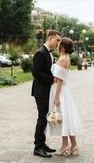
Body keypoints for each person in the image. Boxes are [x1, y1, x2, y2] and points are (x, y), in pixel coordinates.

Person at [46, 37, 82, 156]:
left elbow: (59, 80)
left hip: (60, 92)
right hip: (64, 91)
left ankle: (65, 145)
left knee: (62, 119)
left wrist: (56, 97)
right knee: (66, 119)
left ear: (62, 47)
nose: (57, 45)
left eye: (59, 43)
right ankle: (73, 144)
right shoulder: (65, 58)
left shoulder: (63, 59)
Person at [31, 30, 62, 158]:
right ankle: (38, 147)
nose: (58, 43)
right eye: (57, 40)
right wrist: (52, 79)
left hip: (46, 90)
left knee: (45, 117)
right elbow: (35, 73)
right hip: (40, 91)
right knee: (42, 118)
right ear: (50, 38)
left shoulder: (48, 53)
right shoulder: (40, 53)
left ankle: (42, 144)